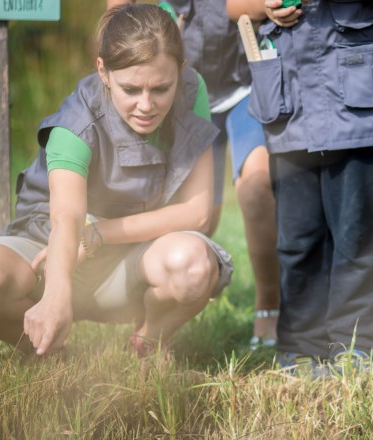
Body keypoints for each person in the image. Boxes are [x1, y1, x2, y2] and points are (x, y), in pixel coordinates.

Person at [0, 4, 233, 357]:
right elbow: (67, 220)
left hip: (134, 254)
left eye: (160, 89)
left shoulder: (192, 89)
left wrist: (97, 234)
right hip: (51, 247)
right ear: (103, 71)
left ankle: (147, 340)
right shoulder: (74, 124)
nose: (146, 105)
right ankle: (52, 350)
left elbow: (197, 213)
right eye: (131, 89)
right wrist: (56, 295)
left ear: (181, 72)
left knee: (195, 265)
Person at [226, 0, 373, 375]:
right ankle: (300, 346)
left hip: (359, 111)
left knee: (357, 237)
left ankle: (359, 346)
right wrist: (265, 5)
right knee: (297, 242)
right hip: (289, 111)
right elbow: (233, 7)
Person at [105, 0, 280, 350]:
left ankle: (269, 306)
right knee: (198, 219)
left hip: (246, 84)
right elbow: (118, 14)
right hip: (176, 94)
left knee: (257, 186)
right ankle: (158, 320)